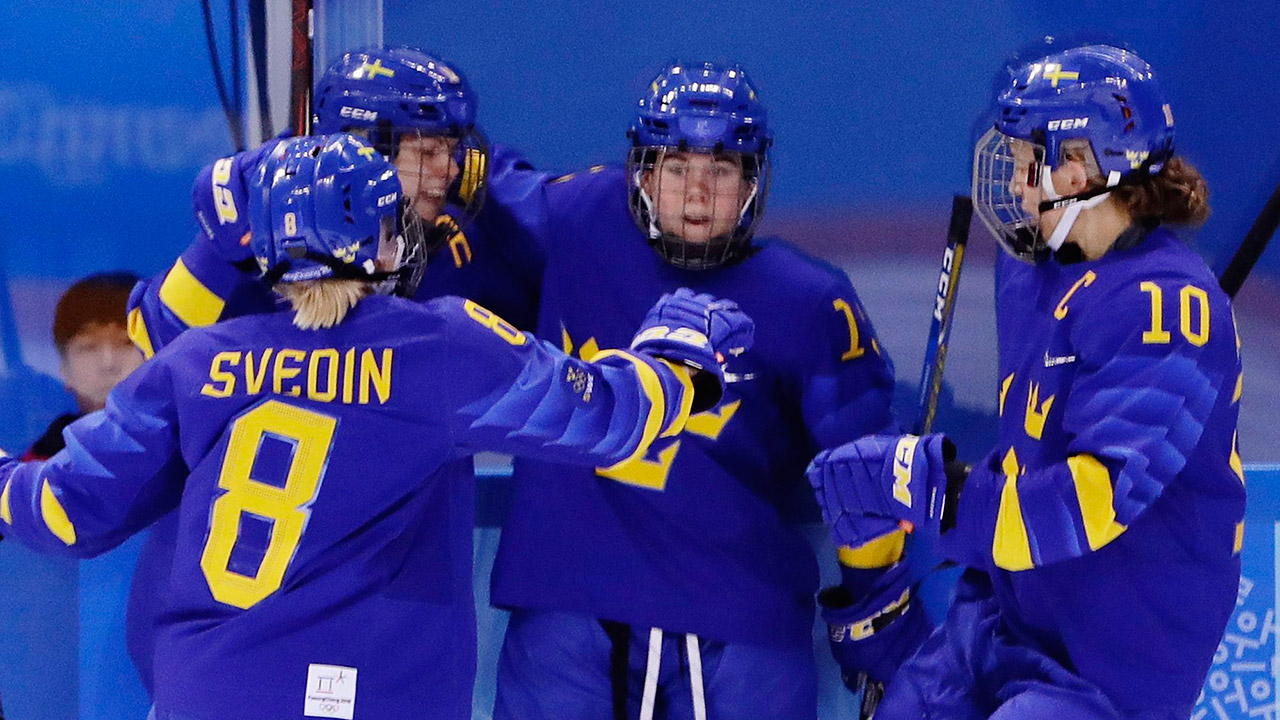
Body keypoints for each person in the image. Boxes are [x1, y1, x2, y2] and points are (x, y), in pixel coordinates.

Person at [0, 133, 751, 720]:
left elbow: (65, 509)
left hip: (209, 693)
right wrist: (681, 368)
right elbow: (608, 419)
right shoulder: (438, 346)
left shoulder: (198, 358)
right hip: (382, 697)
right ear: (385, 239)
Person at [807, 44, 1244, 719]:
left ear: (1079, 167)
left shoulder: (1172, 310)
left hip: (1114, 660)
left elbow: (1081, 508)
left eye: (1024, 164)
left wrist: (931, 490)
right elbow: (1028, 450)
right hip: (1009, 616)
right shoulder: (1032, 266)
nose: (1013, 186)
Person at [121, 46, 546, 697]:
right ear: (360, 147)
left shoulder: (466, 244)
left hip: (397, 626)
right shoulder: (268, 244)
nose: (445, 172)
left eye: (448, 149)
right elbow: (156, 341)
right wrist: (214, 248)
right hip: (237, 626)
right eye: (423, 150)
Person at [486, 61, 898, 720]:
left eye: (722, 172)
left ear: (754, 182)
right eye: (677, 170)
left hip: (732, 618)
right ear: (643, 174)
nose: (698, 195)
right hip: (569, 604)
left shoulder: (810, 300)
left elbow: (864, 471)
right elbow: (465, 181)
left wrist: (881, 612)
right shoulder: (579, 218)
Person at [22, 271, 143, 460]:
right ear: (64, 370)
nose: (108, 363)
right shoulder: (33, 476)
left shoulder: (193, 454)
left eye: (127, 343)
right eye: (88, 348)